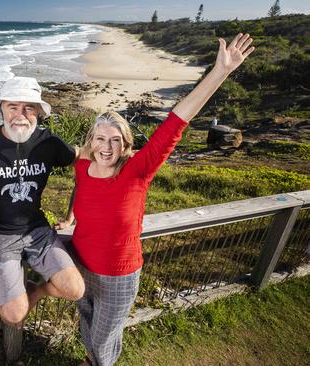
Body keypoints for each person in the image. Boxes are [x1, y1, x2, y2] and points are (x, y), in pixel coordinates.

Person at [56, 34, 255, 366]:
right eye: (100, 139)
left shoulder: (137, 170)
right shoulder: (82, 167)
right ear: (90, 142)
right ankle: (90, 359)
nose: (107, 147)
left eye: (115, 140)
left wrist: (220, 71)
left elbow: (178, 120)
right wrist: (72, 219)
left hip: (119, 275)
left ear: (126, 145)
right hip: (81, 264)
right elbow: (81, 192)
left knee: (106, 338)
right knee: (87, 323)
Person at [0, 77, 85, 327]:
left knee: (75, 289)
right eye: (13, 107)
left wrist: (73, 213)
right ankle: (13, 296)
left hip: (38, 231)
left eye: (28, 108)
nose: (20, 115)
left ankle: (35, 291)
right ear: (2, 110)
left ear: (39, 113)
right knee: (14, 314)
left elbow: (83, 161)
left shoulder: (49, 142)